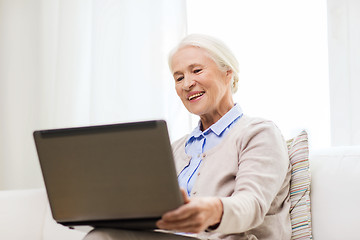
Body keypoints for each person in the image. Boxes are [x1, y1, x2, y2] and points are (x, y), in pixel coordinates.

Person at [84, 34, 292, 240]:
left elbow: (251, 204)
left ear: (227, 73)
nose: (187, 84)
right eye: (179, 77)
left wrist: (213, 210)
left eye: (197, 70)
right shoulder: (175, 150)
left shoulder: (259, 133)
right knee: (102, 233)